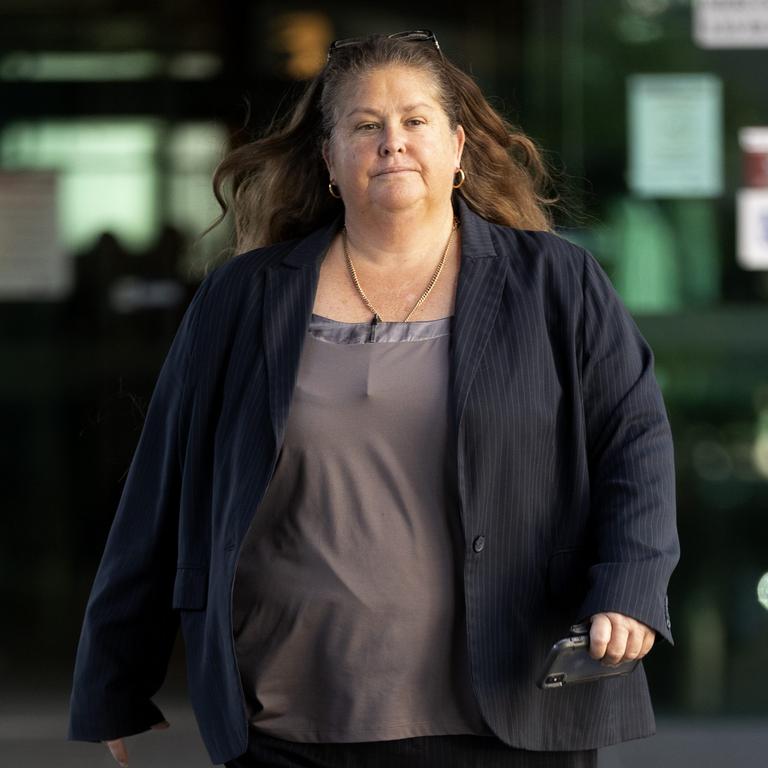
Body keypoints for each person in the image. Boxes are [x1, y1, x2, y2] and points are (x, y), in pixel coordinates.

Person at [68, 30, 679, 768]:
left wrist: (629, 586)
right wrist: (113, 675)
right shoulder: (244, 296)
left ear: (457, 148)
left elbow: (635, 442)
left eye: (415, 121)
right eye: (366, 126)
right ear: (329, 159)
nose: (393, 142)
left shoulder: (557, 283)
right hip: (291, 721)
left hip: (507, 713)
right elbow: (161, 483)